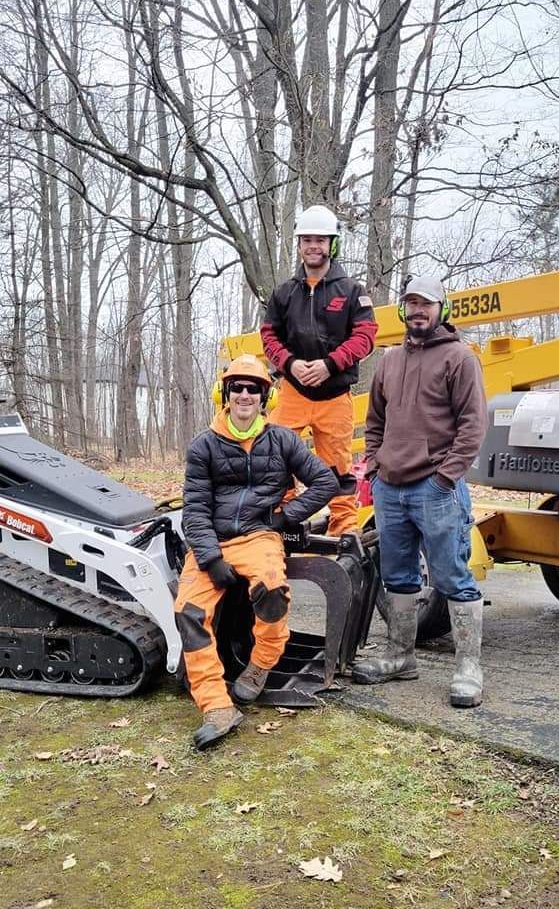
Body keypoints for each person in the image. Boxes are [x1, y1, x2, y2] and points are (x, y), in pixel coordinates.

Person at [175, 354, 338, 750]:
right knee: (189, 613)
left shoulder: (282, 440)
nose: (245, 395)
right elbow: (195, 508)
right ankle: (216, 706)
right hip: (212, 540)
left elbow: (324, 481)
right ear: (225, 394)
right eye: (237, 388)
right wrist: (210, 558)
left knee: (271, 589)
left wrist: (284, 518)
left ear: (265, 396)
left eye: (253, 388)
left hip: (259, 537)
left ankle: (260, 665)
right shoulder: (204, 445)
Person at [352, 275, 488, 708]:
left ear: (441, 309)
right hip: (390, 490)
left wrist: (445, 477)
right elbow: (375, 421)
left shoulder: (460, 359)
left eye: (426, 304)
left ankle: (469, 668)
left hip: (436, 489)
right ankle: (400, 657)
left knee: (452, 577)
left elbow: (473, 427)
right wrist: (374, 463)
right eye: (410, 304)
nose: (417, 311)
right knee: (398, 576)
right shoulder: (389, 360)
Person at [261, 205, 378, 535]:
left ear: (332, 244)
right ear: (299, 244)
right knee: (275, 457)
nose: (314, 246)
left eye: (320, 240)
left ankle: (343, 530)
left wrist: (330, 365)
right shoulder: (284, 293)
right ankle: (279, 521)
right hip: (292, 393)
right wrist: (290, 364)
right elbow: (269, 335)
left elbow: (366, 336)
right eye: (307, 240)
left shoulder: (351, 291)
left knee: (338, 464)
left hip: (335, 395)